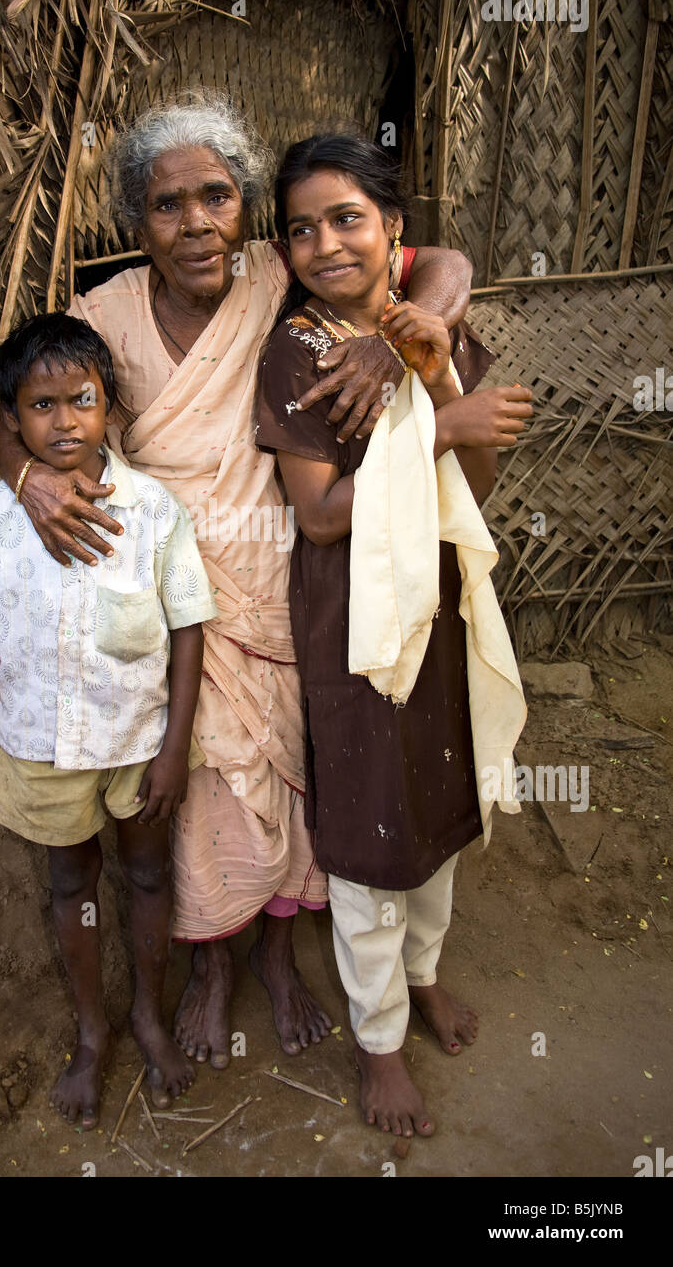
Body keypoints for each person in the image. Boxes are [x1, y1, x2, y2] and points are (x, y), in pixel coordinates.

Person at [0, 93, 476, 1070]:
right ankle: (211, 969)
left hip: (290, 596)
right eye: (169, 204)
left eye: (216, 197)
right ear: (139, 221)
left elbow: (442, 265)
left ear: (245, 212)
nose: (196, 222)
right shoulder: (103, 316)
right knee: (206, 803)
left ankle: (279, 956)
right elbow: (22, 415)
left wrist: (392, 337)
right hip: (176, 614)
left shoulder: (280, 274)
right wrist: (30, 475)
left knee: (298, 789)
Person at [255, 133, 532, 1136]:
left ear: (394, 232)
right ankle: (377, 1040)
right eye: (299, 228)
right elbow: (321, 514)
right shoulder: (295, 350)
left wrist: (443, 388)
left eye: (346, 218)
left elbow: (478, 489)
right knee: (372, 829)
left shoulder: (431, 329)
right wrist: (440, 431)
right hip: (353, 628)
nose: (324, 242)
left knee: (440, 802)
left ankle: (420, 979)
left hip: (441, 612)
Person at [0, 314, 217, 1128]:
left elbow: (189, 626)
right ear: (11, 423)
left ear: (109, 410)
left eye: (81, 401)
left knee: (150, 874)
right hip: (43, 748)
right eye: (40, 405)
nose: (63, 422)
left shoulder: (154, 509)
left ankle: (148, 1016)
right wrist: (4, 624)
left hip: (139, 741)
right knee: (71, 884)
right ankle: (93, 1033)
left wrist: (173, 750)